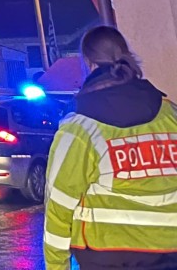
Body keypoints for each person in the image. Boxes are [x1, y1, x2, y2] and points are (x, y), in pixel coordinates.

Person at [44, 26, 177, 270]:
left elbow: (58, 209)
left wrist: (56, 267)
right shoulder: (170, 114)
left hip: (107, 258)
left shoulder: (79, 128)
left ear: (89, 63)